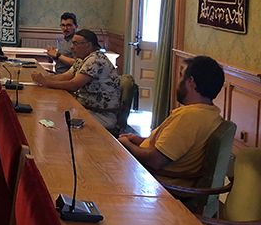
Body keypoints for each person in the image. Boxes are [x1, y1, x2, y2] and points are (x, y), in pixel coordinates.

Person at [118, 56, 225, 187]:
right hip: (152, 176)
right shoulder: (211, 113)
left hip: (153, 183)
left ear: (191, 82)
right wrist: (139, 140)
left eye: (181, 76)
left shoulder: (190, 117)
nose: (178, 81)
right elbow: (171, 147)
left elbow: (155, 160)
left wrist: (126, 144)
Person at [31, 29, 121, 131]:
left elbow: (74, 85)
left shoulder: (95, 60)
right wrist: (43, 78)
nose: (72, 47)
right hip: (84, 107)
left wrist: (46, 82)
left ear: (88, 45)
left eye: (75, 44)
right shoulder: (82, 58)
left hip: (101, 114)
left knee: (56, 122)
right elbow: (66, 76)